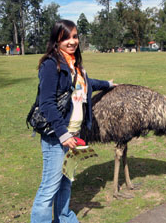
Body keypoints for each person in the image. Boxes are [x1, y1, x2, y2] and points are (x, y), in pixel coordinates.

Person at [31, 19, 116, 223]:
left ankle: (64, 218)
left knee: (66, 182)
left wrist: (108, 84)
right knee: (50, 187)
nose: (72, 41)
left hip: (74, 134)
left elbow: (87, 83)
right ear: (56, 40)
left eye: (75, 36)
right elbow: (47, 103)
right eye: (66, 37)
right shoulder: (51, 65)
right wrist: (63, 134)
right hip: (57, 136)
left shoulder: (75, 65)